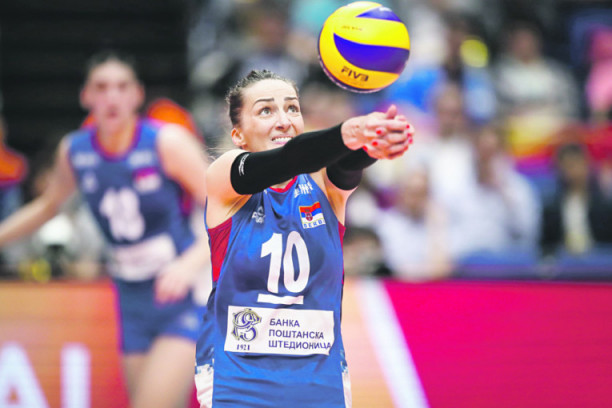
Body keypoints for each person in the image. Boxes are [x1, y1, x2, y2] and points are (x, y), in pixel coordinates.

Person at [0, 50, 211, 408]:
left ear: (137, 95)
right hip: (131, 297)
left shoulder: (166, 142)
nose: (112, 97)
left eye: (122, 87)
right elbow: (48, 206)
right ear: (86, 96)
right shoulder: (75, 151)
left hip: (182, 294)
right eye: (101, 87)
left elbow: (229, 209)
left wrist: (189, 264)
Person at [194, 69, 413, 407]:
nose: (283, 121)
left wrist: (374, 141)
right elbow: (290, 158)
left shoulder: (324, 185)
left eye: (292, 108)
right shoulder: (224, 176)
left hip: (320, 381)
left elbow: (347, 163)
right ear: (238, 135)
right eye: (266, 110)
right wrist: (348, 132)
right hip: (236, 380)